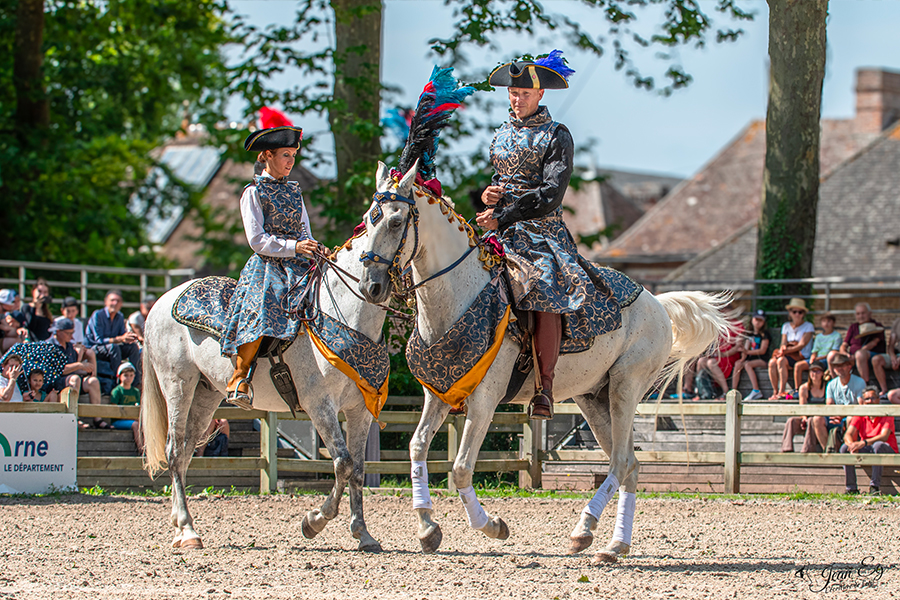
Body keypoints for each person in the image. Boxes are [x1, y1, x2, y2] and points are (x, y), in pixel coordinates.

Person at [476, 50, 622, 419]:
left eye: (524, 94)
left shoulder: (557, 135)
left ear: (541, 95)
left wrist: (503, 212)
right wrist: (488, 194)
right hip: (500, 226)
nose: (516, 99)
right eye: (512, 93)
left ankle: (546, 386)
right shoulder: (502, 134)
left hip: (542, 232)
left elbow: (549, 194)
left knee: (544, 289)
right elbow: (501, 181)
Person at [221, 125, 324, 408]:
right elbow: (257, 240)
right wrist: (293, 247)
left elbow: (305, 230)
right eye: (285, 155)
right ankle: (240, 377)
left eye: (293, 155)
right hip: (268, 265)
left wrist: (314, 247)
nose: (291, 161)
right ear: (267, 155)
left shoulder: (294, 191)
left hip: (300, 261)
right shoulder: (253, 192)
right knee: (265, 304)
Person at [839, 386, 897, 495]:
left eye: (873, 398)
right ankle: (851, 488)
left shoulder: (887, 413)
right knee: (844, 448)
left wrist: (863, 442)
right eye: (867, 399)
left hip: (886, 449)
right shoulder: (860, 414)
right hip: (867, 448)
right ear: (863, 401)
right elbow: (848, 433)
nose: (870, 401)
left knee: (878, 446)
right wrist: (852, 445)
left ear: (879, 400)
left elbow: (884, 436)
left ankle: (874, 487)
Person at [85, 289, 142, 388]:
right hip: (95, 348)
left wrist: (128, 338)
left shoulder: (120, 316)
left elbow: (121, 337)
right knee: (114, 347)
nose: (115, 303)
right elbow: (98, 340)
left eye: (118, 301)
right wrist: (121, 338)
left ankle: (135, 383)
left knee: (132, 347)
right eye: (112, 300)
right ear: (106, 301)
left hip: (112, 348)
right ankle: (118, 382)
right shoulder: (98, 315)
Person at [47, 317, 102, 407]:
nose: (72, 336)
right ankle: (73, 415)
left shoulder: (69, 345)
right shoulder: (50, 346)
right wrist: (79, 365)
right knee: (75, 379)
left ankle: (97, 419)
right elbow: (59, 370)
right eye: (69, 333)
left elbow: (74, 367)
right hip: (55, 382)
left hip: (71, 379)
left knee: (93, 381)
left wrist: (81, 357)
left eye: (72, 333)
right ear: (58, 332)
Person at [767, 298, 815, 399]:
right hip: (789, 356)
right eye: (794, 311)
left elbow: (801, 345)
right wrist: (782, 349)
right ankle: (775, 392)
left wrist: (785, 351)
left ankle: (781, 391)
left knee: (781, 360)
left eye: (800, 312)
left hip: (802, 357)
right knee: (772, 362)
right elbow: (783, 342)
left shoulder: (808, 326)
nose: (797, 314)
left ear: (804, 314)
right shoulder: (786, 326)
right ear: (790, 313)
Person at [780, 363, 828, 452]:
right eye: (812, 371)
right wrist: (804, 418)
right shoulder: (804, 388)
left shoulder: (827, 386)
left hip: (821, 419)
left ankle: (807, 449)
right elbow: (802, 407)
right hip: (807, 417)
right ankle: (786, 448)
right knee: (791, 421)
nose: (815, 374)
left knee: (812, 420)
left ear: (822, 373)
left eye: (817, 371)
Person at [839, 302, 886, 392]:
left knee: (860, 354)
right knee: (833, 356)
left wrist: (856, 354)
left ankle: (865, 386)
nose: (861, 316)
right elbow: (844, 344)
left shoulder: (877, 326)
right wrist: (844, 353)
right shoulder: (853, 327)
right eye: (858, 314)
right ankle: (838, 387)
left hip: (871, 355)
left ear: (869, 313)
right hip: (853, 357)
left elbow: (873, 343)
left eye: (863, 313)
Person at [794, 312, 842, 383]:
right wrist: (813, 357)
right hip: (817, 359)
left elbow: (834, 352)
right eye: (824, 321)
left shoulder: (837, 336)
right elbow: (815, 351)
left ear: (833, 323)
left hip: (827, 361)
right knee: (798, 365)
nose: (826, 323)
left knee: (816, 367)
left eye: (829, 321)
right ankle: (797, 390)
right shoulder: (818, 337)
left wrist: (817, 359)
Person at [736, 309, 772, 400]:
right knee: (738, 364)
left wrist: (747, 352)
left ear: (764, 322)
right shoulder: (749, 335)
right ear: (752, 320)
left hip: (763, 360)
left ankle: (756, 390)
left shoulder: (765, 335)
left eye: (760, 320)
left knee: (747, 364)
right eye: (756, 319)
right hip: (750, 359)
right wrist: (742, 356)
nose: (758, 322)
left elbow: (762, 351)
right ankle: (733, 391)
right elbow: (746, 349)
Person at [55, 297, 97, 373]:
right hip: (63, 347)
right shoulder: (57, 322)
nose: (70, 314)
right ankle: (75, 369)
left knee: (89, 352)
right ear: (62, 311)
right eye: (68, 311)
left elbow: (79, 341)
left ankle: (93, 375)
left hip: (75, 348)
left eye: (73, 311)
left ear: (77, 311)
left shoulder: (78, 323)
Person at [110, 362, 142, 449]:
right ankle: (141, 449)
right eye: (126, 375)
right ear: (119, 376)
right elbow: (113, 411)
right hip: (119, 421)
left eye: (131, 375)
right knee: (136, 425)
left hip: (133, 419)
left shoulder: (136, 391)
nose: (129, 378)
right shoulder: (117, 391)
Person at [870, 314, 900, 399]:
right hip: (897, 355)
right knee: (876, 359)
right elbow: (890, 345)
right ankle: (884, 391)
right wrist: (892, 356)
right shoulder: (897, 322)